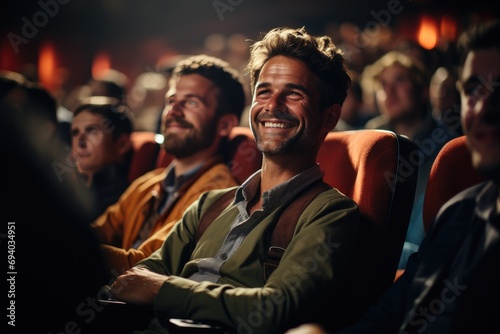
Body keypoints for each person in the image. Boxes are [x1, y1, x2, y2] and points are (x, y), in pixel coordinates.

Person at [104, 26, 359, 334]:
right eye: (263, 91)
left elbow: (279, 307)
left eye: (293, 93)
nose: (272, 105)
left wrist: (163, 291)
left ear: (329, 117)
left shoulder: (332, 213)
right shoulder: (209, 203)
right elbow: (147, 270)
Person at [286, 19, 500, 334]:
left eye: (399, 81)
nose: (485, 107)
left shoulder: (441, 154)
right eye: (472, 89)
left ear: (421, 88)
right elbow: (394, 310)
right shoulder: (462, 210)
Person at [91, 54, 246, 275]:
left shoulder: (218, 195)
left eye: (192, 102)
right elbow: (96, 233)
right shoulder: (148, 182)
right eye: (171, 101)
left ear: (225, 124)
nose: (173, 111)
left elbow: (144, 267)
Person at [362, 50, 456, 269]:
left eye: (399, 80)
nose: (389, 91)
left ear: (423, 91)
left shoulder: (446, 146)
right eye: (383, 84)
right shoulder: (372, 137)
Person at [71, 96, 134, 221]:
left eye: (92, 131)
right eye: (75, 132)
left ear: (122, 144)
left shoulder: (124, 203)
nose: (80, 142)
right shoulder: (70, 191)